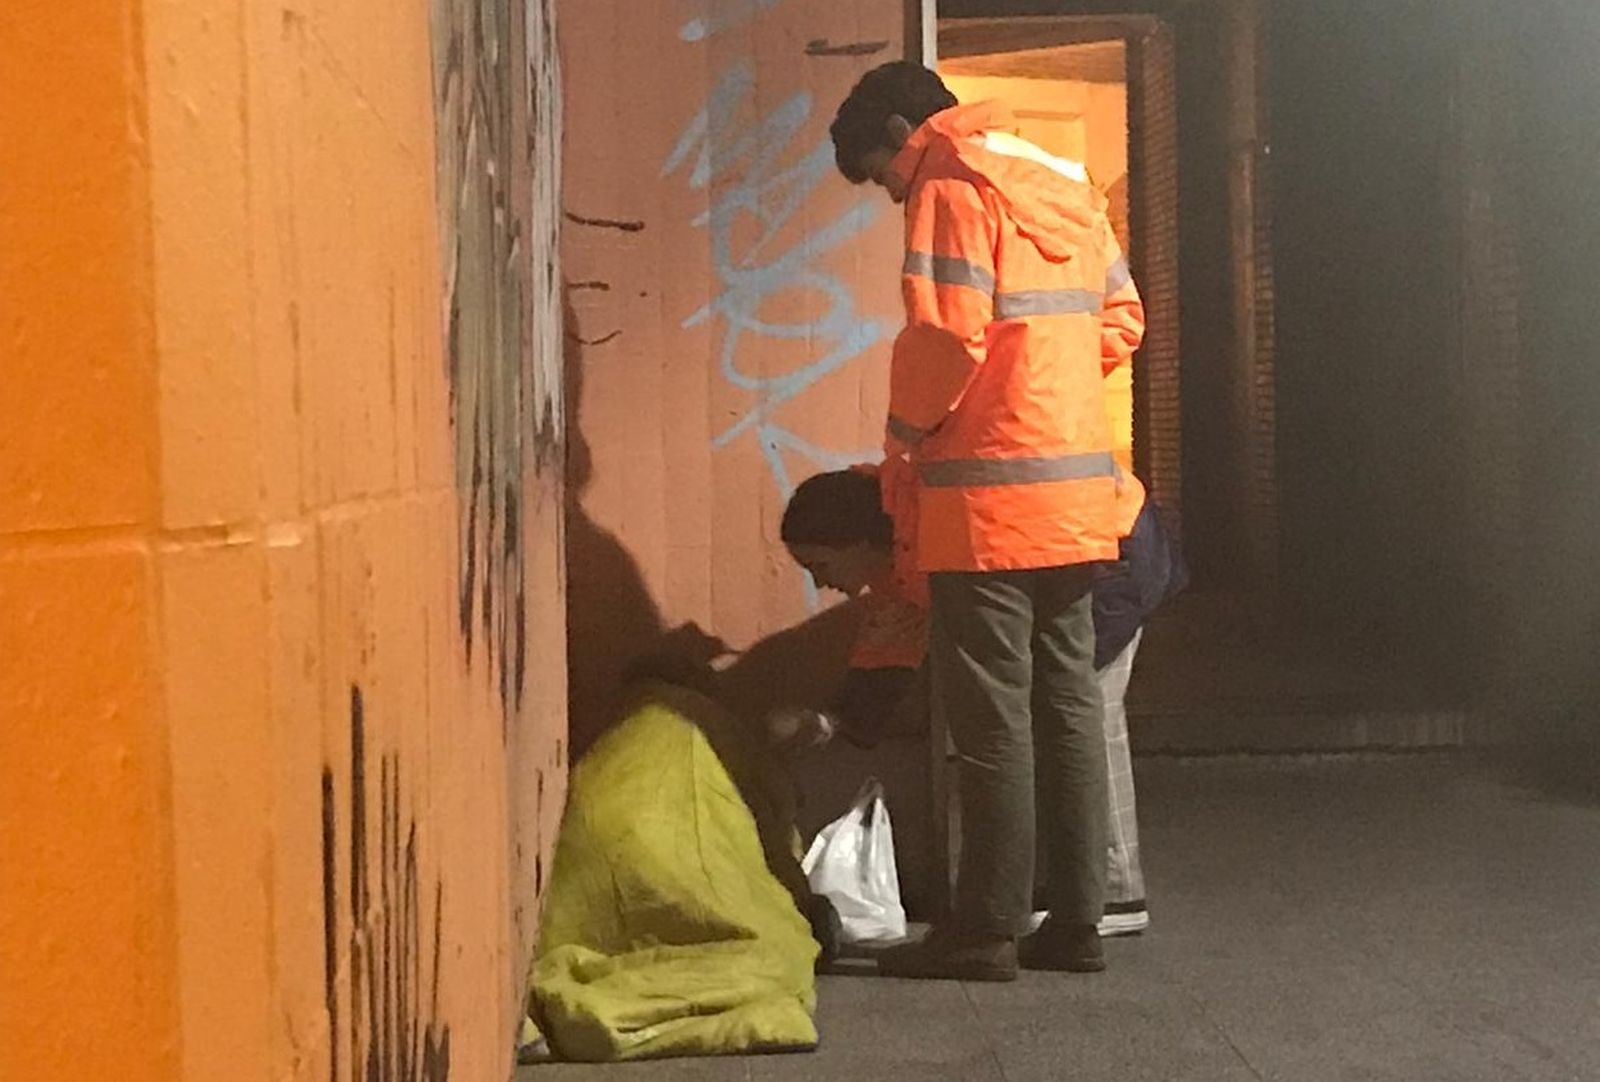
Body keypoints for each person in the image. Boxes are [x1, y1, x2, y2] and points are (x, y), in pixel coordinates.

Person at [828, 61, 1146, 980]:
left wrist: (902, 435)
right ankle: (1078, 921)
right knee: (1069, 706)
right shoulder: (1060, 183)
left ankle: (988, 929)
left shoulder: (950, 183)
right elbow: (1123, 321)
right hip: (1075, 496)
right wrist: (1043, 389)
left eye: (884, 176)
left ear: (902, 132)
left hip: (986, 502)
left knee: (992, 718)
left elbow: (945, 337)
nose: (895, 197)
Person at [780, 467, 1185, 939]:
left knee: (1076, 716)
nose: (821, 584)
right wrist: (832, 721)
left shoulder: (928, 537)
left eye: (820, 567)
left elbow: (897, 642)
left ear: (857, 544)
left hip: (1104, 550)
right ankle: (1084, 890)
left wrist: (830, 722)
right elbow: (891, 646)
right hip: (1090, 535)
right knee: (1066, 713)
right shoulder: (902, 542)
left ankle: (1113, 894)